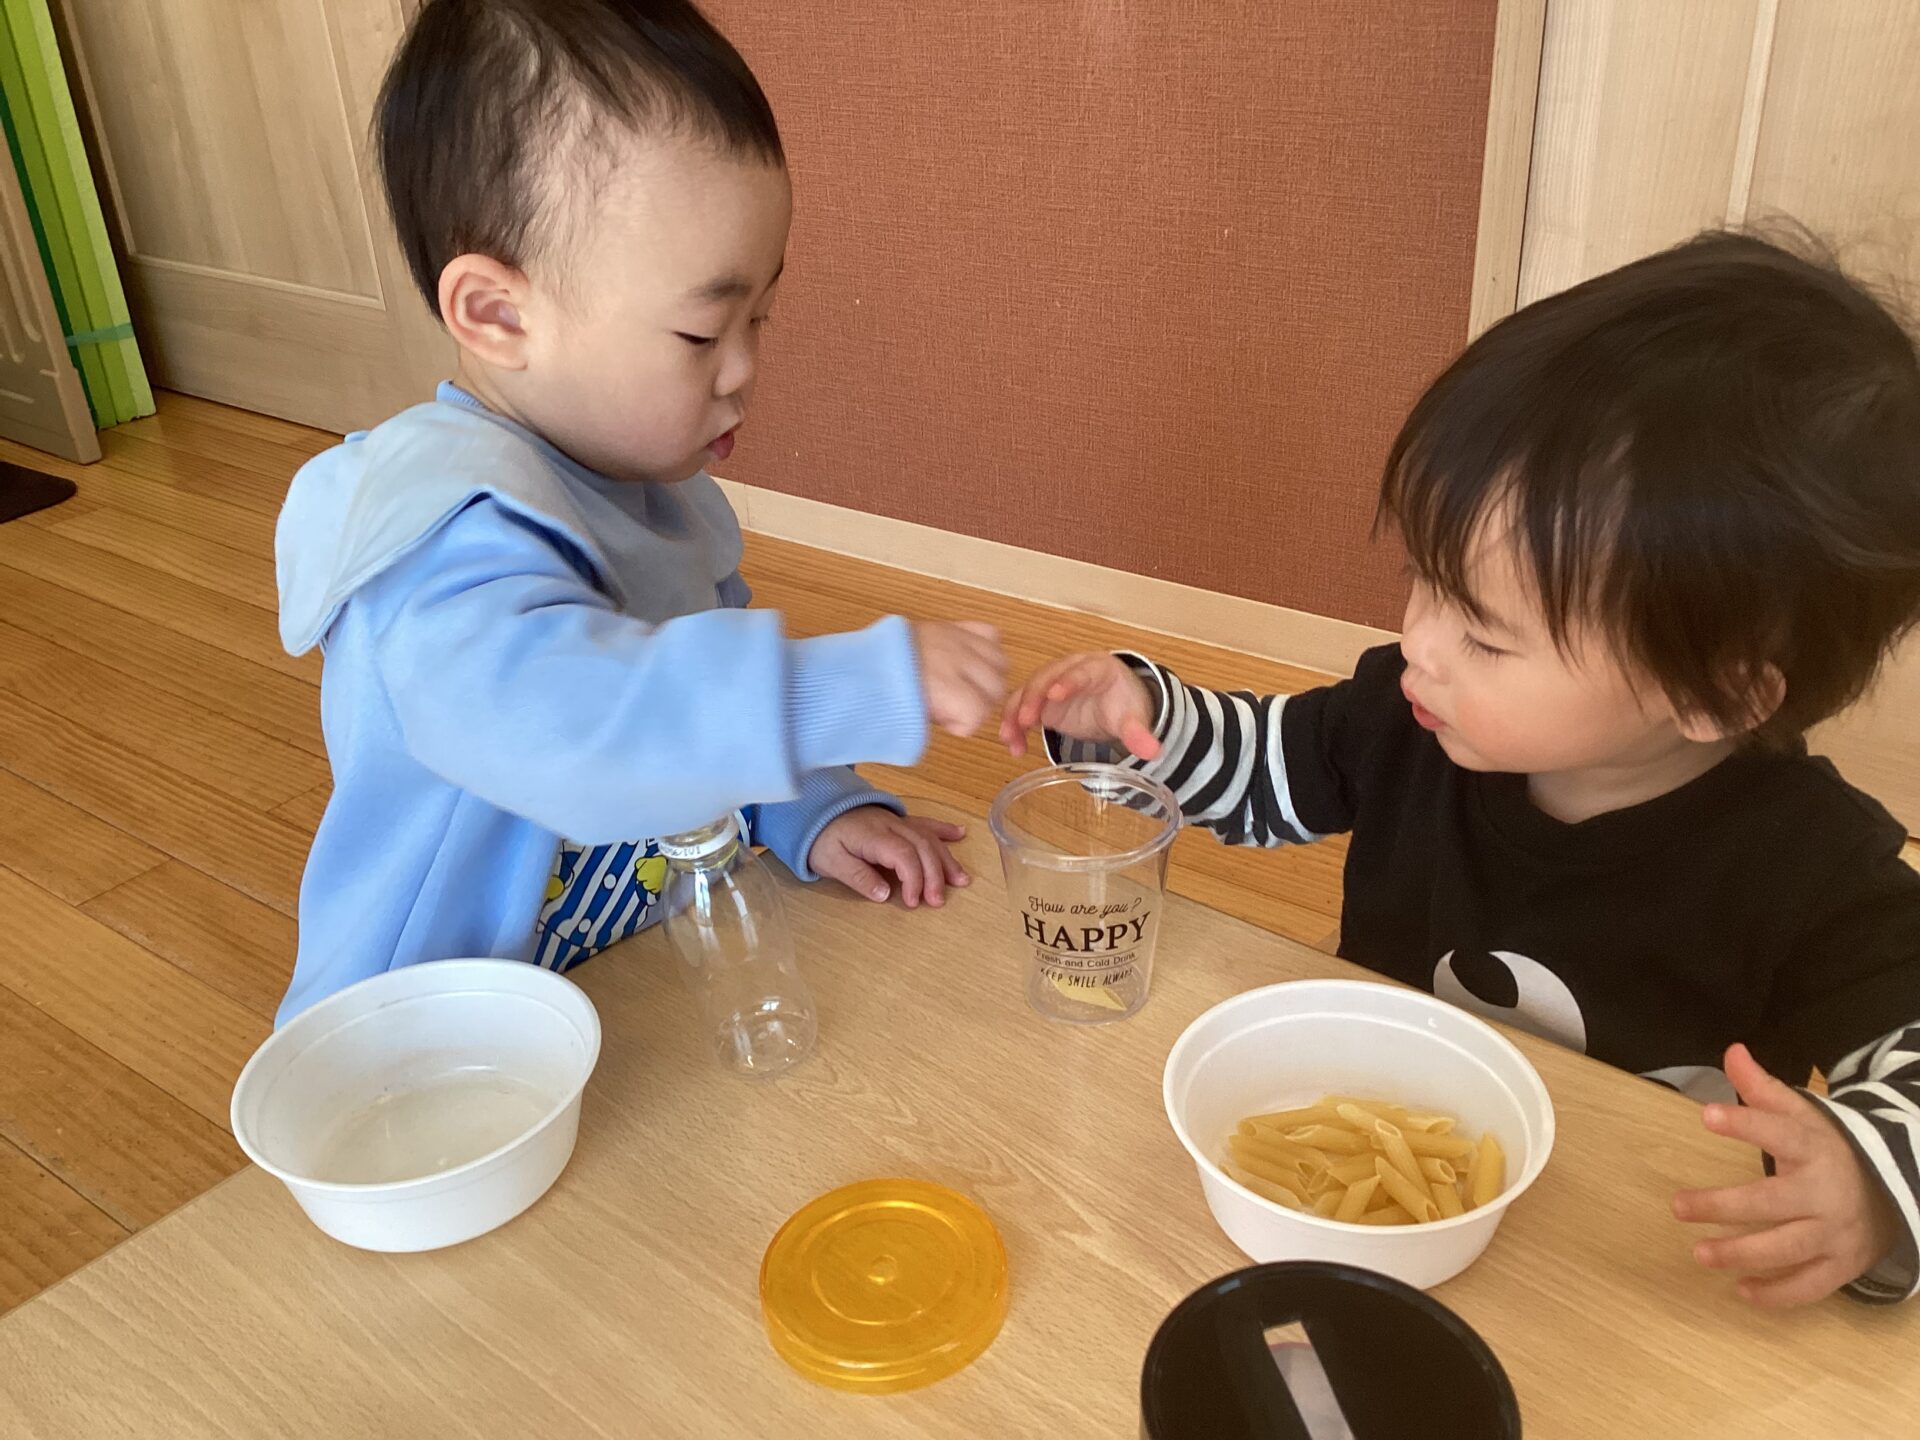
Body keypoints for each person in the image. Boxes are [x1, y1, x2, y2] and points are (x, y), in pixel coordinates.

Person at [1003, 231, 1920, 1307]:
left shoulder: (1811, 866)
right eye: (1422, 580)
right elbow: (1264, 769)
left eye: (1485, 635)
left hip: (1623, 1264)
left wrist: (1870, 1187)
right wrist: (1141, 724)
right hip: (1377, 1194)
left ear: (1715, 696)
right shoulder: (1413, 720)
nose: (1419, 643)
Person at [274, 0, 1006, 1022]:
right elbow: (588, 729)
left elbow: (694, 693)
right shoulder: (442, 545)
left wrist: (814, 806)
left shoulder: (657, 490)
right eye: (702, 334)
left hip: (633, 978)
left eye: (760, 318)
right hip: (430, 1031)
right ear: (497, 314)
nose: (744, 370)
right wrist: (858, 682)